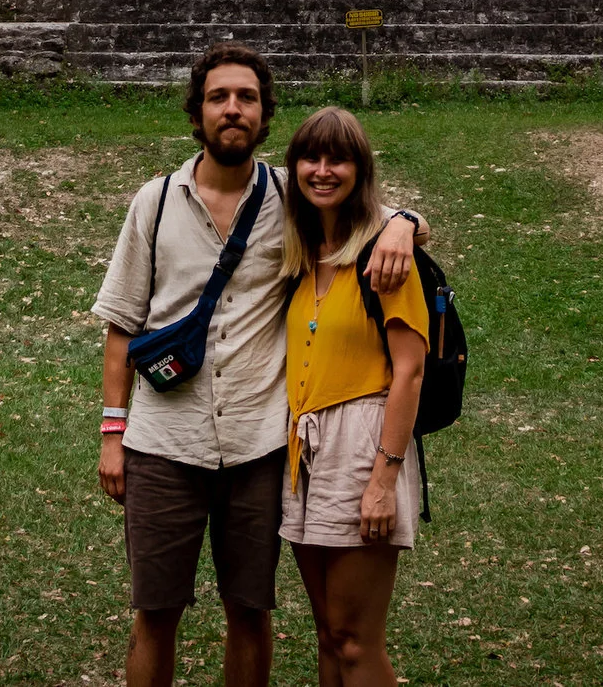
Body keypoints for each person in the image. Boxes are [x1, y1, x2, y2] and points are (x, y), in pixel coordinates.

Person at [92, 44, 425, 687]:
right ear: (198, 112)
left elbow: (365, 212)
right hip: (164, 444)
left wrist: (406, 223)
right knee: (154, 615)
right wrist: (112, 432)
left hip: (259, 449)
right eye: (219, 97)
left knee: (250, 612)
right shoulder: (154, 203)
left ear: (264, 114)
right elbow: (120, 327)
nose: (233, 109)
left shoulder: (290, 197)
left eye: (246, 98)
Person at [280, 105, 429, 687]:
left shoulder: (387, 258)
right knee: (326, 635)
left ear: (360, 170)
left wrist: (383, 480)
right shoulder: (300, 252)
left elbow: (410, 372)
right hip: (304, 448)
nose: (322, 170)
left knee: (355, 638)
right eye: (310, 158)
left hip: (364, 444)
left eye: (338, 159)